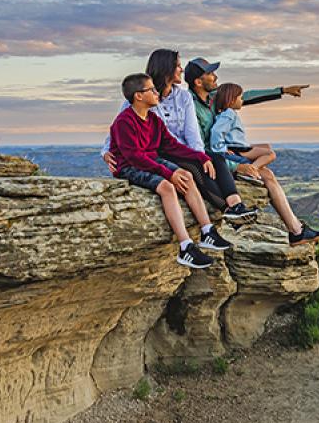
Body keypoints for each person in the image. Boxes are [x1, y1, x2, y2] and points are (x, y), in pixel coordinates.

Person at [184, 57, 319, 246]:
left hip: (228, 154)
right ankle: (296, 231)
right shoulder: (189, 106)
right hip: (216, 162)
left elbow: (246, 96)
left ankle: (296, 231)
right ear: (198, 81)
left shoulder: (213, 96)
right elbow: (201, 148)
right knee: (264, 171)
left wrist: (282, 91)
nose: (215, 76)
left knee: (267, 174)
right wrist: (236, 165)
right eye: (210, 73)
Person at [102, 50, 256, 223]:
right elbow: (118, 130)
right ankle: (226, 209)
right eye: (177, 66)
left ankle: (236, 205)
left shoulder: (183, 97)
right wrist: (106, 151)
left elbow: (192, 134)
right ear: (166, 69)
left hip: (180, 150)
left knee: (215, 160)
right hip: (160, 153)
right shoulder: (142, 98)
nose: (181, 70)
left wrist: (202, 157)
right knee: (195, 169)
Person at [109, 72, 232, 268]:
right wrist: (168, 174)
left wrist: (201, 157)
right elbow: (133, 157)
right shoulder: (124, 122)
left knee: (186, 175)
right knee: (167, 187)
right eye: (151, 90)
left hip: (150, 159)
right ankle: (185, 247)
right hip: (129, 166)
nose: (157, 93)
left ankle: (207, 231)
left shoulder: (154, 120)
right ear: (138, 96)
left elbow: (172, 146)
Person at [210, 83, 277, 178]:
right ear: (232, 101)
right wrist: (222, 149)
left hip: (238, 146)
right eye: (240, 98)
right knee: (270, 154)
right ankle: (251, 169)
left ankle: (254, 167)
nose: (242, 100)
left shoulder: (227, 113)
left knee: (266, 146)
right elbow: (216, 131)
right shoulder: (229, 113)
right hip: (236, 149)